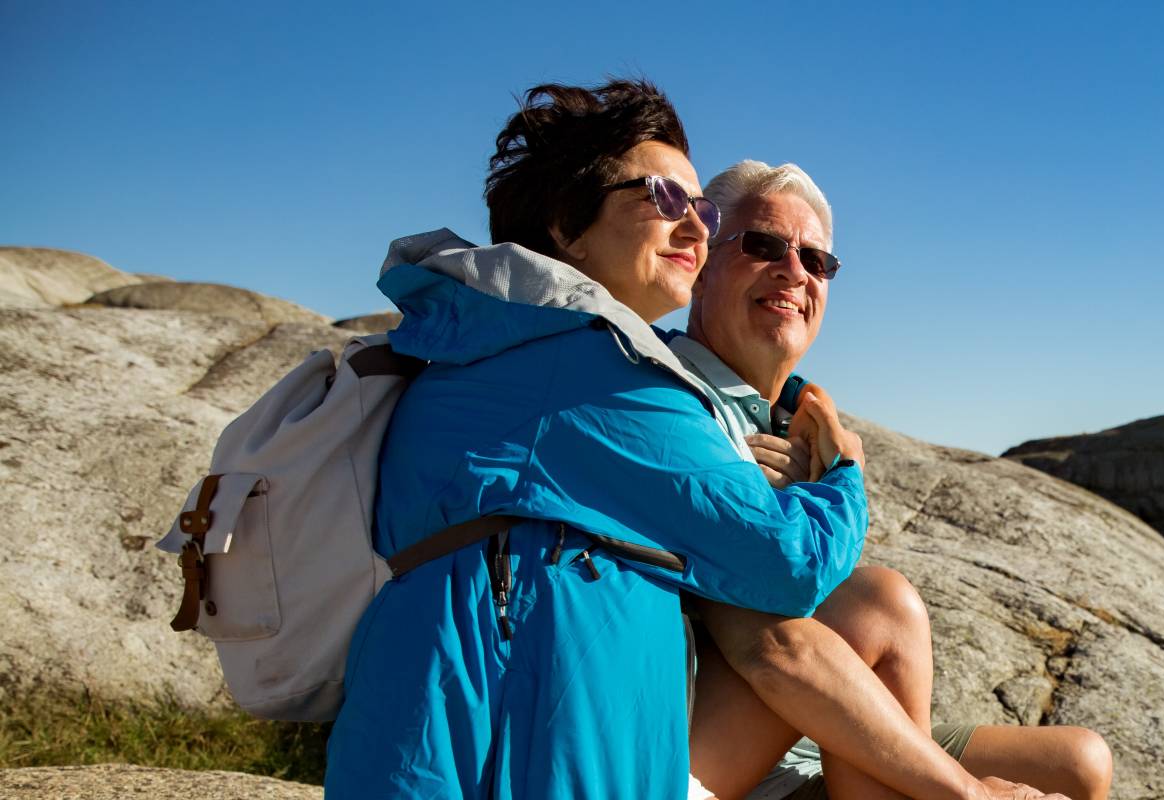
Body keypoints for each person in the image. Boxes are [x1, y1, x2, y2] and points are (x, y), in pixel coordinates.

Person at [322, 81, 874, 799]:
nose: (696, 229)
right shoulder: (593, 374)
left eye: (703, 210)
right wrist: (843, 474)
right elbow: (789, 561)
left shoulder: (520, 349)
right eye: (663, 198)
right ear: (566, 224)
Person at [672, 160, 1114, 800]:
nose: (794, 271)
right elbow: (769, 634)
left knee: (1080, 762)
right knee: (882, 603)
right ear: (700, 267)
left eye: (816, 260)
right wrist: (837, 479)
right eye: (763, 245)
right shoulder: (673, 406)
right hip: (716, 745)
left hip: (802, 728)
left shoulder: (795, 418)